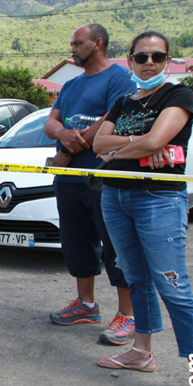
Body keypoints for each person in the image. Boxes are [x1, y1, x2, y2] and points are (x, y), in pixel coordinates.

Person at [93, 30, 193, 386]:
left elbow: (154, 140)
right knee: (136, 277)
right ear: (129, 61)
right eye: (141, 57)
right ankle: (142, 353)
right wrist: (137, 143)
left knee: (173, 286)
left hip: (157, 198)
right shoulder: (123, 99)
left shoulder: (177, 95)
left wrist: (121, 150)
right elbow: (97, 144)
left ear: (167, 61)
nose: (148, 63)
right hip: (115, 196)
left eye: (157, 57)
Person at [43, 23, 138, 345]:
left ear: (98, 44)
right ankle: (86, 305)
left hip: (102, 178)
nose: (72, 49)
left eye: (77, 43)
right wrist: (62, 134)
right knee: (76, 242)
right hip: (69, 180)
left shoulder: (119, 79)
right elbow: (50, 122)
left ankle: (128, 314)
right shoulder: (70, 85)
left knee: (115, 246)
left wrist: (70, 146)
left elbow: (112, 120)